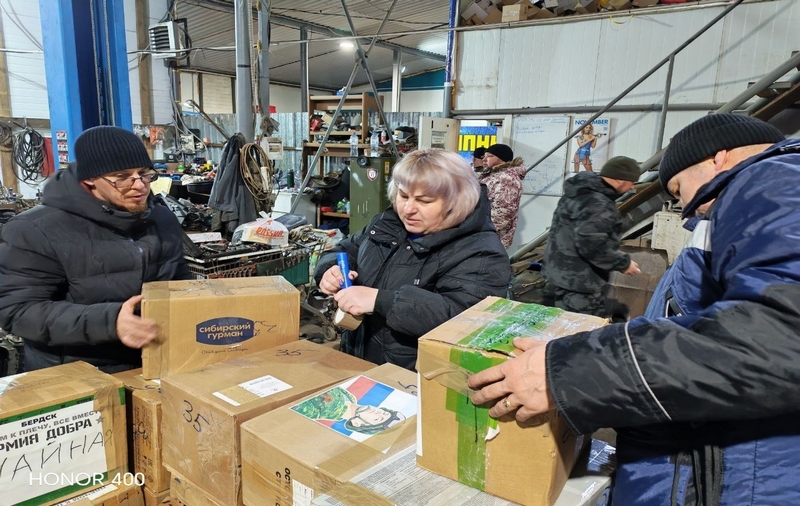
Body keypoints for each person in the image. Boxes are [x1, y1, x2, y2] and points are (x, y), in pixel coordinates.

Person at [468, 114, 800, 506]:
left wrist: (574, 371)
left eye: (677, 188)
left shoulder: (773, 180)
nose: (684, 208)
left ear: (718, 157)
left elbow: (778, 337)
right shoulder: (761, 191)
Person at [0, 126, 191, 373]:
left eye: (144, 174)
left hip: (155, 359)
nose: (140, 186)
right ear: (89, 178)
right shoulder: (34, 229)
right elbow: (16, 310)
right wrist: (110, 321)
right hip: (79, 373)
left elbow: (179, 279)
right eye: (122, 177)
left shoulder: (161, 219)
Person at [315, 149, 510, 370]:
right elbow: (344, 249)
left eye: (424, 201)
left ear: (457, 202)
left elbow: (466, 321)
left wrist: (382, 301)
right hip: (359, 360)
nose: (408, 209)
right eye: (403, 196)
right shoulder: (387, 224)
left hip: (413, 377)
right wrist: (330, 270)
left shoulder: (480, 252)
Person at [543, 156, 642, 316]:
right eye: (632, 182)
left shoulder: (579, 192)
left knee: (557, 320)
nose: (632, 187)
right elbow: (591, 244)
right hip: (578, 280)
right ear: (620, 180)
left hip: (558, 272)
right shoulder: (599, 204)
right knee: (577, 325)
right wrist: (623, 263)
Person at [477, 143, 526, 249]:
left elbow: (503, 214)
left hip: (491, 238)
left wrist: (481, 231)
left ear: (502, 159)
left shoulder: (507, 179)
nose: (484, 159)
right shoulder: (492, 175)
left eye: (490, 156)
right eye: (484, 156)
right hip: (483, 235)